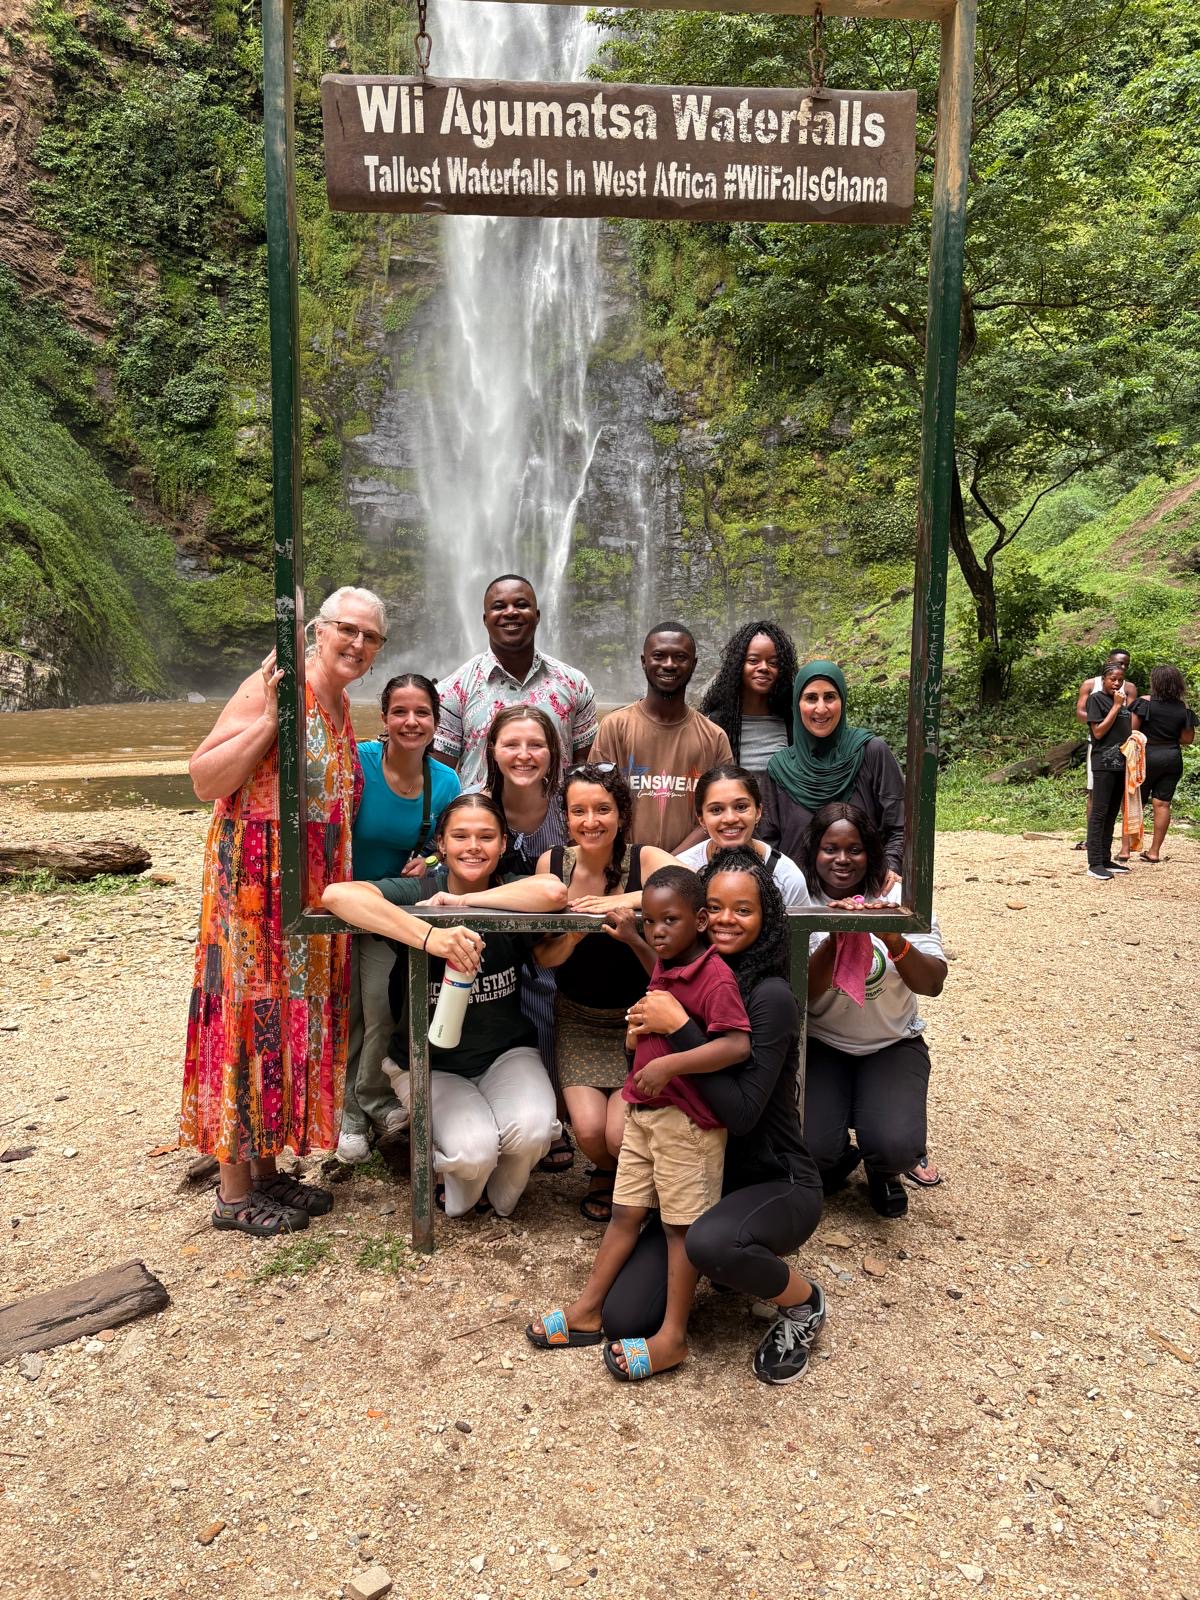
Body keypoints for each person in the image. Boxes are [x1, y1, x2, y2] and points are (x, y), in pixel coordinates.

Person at [182, 586, 384, 1238]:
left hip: (304, 902)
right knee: (247, 1031)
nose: (356, 643)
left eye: (370, 636)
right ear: (319, 632)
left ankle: (266, 1172)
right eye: (346, 630)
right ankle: (233, 1192)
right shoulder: (277, 686)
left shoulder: (342, 703)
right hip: (252, 903)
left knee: (282, 1030)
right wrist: (271, 721)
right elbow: (206, 778)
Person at [600, 847, 827, 1386]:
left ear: (766, 917)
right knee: (623, 1318)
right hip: (701, 1175)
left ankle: (803, 1301)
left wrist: (680, 1033)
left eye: (743, 910)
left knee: (709, 1243)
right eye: (717, 907)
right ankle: (724, 1266)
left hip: (774, 1179)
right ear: (700, 912)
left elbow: (744, 1114)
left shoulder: (770, 997)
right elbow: (655, 1046)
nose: (727, 920)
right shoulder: (690, 975)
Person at [526, 866, 751, 1382]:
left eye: (669, 920)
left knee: (679, 1228)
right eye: (650, 921)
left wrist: (669, 1062)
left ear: (699, 920)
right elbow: (656, 974)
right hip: (646, 1114)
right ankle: (586, 1310)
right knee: (624, 1214)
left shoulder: (716, 976)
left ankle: (672, 1336)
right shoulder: (668, 963)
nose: (659, 931)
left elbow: (737, 1043)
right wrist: (630, 938)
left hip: (687, 1125)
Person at [324, 794, 568, 1217]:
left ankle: (494, 1189)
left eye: (486, 836)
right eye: (460, 836)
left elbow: (553, 890)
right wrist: (428, 936)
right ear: (441, 844)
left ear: (504, 844)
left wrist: (464, 903)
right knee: (473, 1154)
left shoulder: (509, 886)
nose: (473, 846)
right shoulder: (421, 889)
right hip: (428, 1059)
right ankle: (459, 1176)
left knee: (531, 1133)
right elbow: (338, 895)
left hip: (504, 1052)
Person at [533, 765, 676, 1221]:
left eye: (602, 809)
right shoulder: (552, 864)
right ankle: (611, 1172)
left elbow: (690, 887)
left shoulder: (645, 860)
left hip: (638, 1020)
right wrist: (575, 934)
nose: (591, 820)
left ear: (621, 813)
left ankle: (627, 1179)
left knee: (618, 1133)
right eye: (579, 811)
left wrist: (622, 901)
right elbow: (544, 958)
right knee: (592, 1133)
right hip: (578, 1017)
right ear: (566, 817)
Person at [799, 803, 947, 1218]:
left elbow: (932, 983)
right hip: (824, 1042)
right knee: (810, 1147)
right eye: (830, 848)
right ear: (814, 851)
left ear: (873, 852)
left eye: (855, 849)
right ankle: (839, 1156)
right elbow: (802, 995)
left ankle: (885, 1169)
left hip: (891, 1042)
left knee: (896, 1145)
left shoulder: (901, 899)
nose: (843, 859)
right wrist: (837, 934)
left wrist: (889, 935)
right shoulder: (802, 900)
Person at [338, 673, 461, 1165]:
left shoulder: (445, 781)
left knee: (376, 1011)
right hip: (336, 901)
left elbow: (444, 848)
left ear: (436, 720)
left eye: (422, 713)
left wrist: (429, 862)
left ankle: (362, 1107)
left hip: (391, 909)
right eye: (400, 712)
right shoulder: (358, 763)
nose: (411, 722)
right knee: (345, 1013)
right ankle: (353, 1110)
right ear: (384, 718)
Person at [481, 703, 571, 1170]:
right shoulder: (476, 804)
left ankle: (554, 1115)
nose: (523, 754)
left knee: (550, 991)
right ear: (492, 750)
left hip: (552, 940)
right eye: (511, 744)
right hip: (488, 946)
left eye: (535, 744)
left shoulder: (569, 810)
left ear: (553, 753)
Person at [434, 574, 596, 791]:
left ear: (537, 616)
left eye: (521, 604)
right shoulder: (452, 690)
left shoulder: (575, 685)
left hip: (557, 821)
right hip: (483, 820)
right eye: (499, 606)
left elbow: (584, 767)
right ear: (485, 619)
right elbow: (440, 779)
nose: (510, 612)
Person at [761, 661, 905, 889]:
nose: (820, 708)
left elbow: (900, 823)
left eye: (829, 697)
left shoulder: (870, 752)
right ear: (797, 704)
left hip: (865, 895)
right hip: (800, 898)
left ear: (843, 701)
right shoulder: (779, 769)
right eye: (811, 698)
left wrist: (891, 866)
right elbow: (767, 841)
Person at [589, 622, 732, 852]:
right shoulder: (614, 728)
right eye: (659, 656)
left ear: (693, 664)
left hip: (691, 868)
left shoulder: (714, 737)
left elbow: (722, 810)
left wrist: (672, 863)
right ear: (644, 661)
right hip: (623, 867)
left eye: (680, 657)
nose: (669, 665)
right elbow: (594, 802)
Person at [674, 763, 814, 909]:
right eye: (716, 810)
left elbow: (804, 931)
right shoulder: (684, 867)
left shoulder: (786, 877)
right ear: (702, 819)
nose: (730, 818)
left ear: (758, 811)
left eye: (741, 807)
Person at [700, 620, 798, 774]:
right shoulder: (715, 724)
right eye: (753, 661)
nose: (764, 668)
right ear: (738, 665)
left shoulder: (791, 721)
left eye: (773, 662)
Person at [1074, 650, 1138, 853]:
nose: (1122, 671)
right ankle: (1093, 847)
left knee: (1117, 802)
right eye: (1119, 664)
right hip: (1102, 750)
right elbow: (1085, 717)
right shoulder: (1092, 688)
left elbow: (1132, 719)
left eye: (1126, 666)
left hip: (1122, 751)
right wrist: (1103, 714)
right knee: (1097, 799)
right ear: (1108, 665)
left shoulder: (1128, 688)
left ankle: (1119, 848)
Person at [1131, 665, 1195, 863]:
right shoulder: (1182, 709)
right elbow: (1187, 739)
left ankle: (1127, 849)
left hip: (1147, 756)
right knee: (1162, 803)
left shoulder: (1144, 703)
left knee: (1136, 803)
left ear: (1155, 682)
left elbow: (1132, 732)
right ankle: (1154, 852)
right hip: (1172, 757)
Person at [1084, 663, 1134, 881]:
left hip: (1121, 764)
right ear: (1103, 679)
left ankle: (1105, 858)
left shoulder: (1122, 703)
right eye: (1113, 679)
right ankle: (1094, 863)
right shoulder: (1096, 700)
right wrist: (1115, 706)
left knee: (1112, 813)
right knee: (1099, 813)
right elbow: (1098, 731)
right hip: (1103, 763)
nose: (1116, 683)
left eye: (1120, 680)